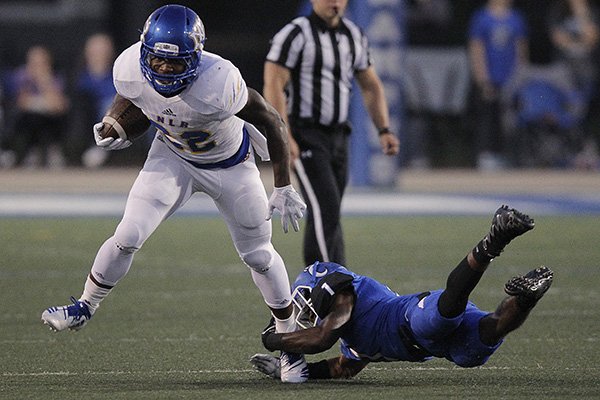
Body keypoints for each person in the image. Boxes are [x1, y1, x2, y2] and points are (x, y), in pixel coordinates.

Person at [41, 4, 308, 383]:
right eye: (158, 62)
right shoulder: (130, 67)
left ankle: (290, 344)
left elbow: (271, 119)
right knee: (128, 234)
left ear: (195, 59)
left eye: (175, 64)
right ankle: (85, 305)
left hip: (231, 165)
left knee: (259, 255)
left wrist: (283, 184)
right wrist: (114, 124)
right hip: (174, 157)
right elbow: (135, 98)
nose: (164, 70)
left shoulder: (220, 81)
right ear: (144, 51)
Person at [250, 205, 554, 381]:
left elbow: (321, 338)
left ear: (321, 289)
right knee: (481, 342)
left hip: (409, 318)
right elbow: (341, 368)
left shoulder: (344, 298)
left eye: (306, 299)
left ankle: (492, 242)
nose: (305, 310)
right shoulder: (350, 339)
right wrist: (286, 370)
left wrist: (274, 340)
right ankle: (527, 297)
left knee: (438, 319)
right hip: (435, 348)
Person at [263, 0, 400, 267]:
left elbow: (371, 85)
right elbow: (273, 83)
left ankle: (328, 281)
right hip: (305, 134)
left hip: (338, 136)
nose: (335, 2)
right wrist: (284, 134)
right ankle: (332, 284)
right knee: (325, 207)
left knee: (329, 211)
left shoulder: (354, 35)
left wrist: (383, 129)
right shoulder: (295, 33)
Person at [468, 0, 529, 170]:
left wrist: (520, 77)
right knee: (489, 117)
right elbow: (476, 49)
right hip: (490, 77)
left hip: (510, 79)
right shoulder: (481, 18)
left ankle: (510, 156)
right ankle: (485, 155)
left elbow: (521, 50)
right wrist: (483, 79)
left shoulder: (516, 18)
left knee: (511, 120)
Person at [5, 45, 69, 168]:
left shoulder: (55, 78)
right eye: (34, 63)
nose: (37, 67)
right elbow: (21, 102)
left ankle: (52, 150)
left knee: (52, 116)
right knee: (30, 116)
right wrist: (42, 103)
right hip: (26, 121)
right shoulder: (21, 76)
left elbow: (59, 106)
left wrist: (44, 81)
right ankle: (29, 151)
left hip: (51, 121)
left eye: (41, 63)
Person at [71, 33, 118, 168]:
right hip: (90, 115)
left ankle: (102, 148)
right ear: (87, 52)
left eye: (103, 51)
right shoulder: (79, 76)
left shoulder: (116, 74)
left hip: (114, 114)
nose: (99, 55)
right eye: (96, 51)